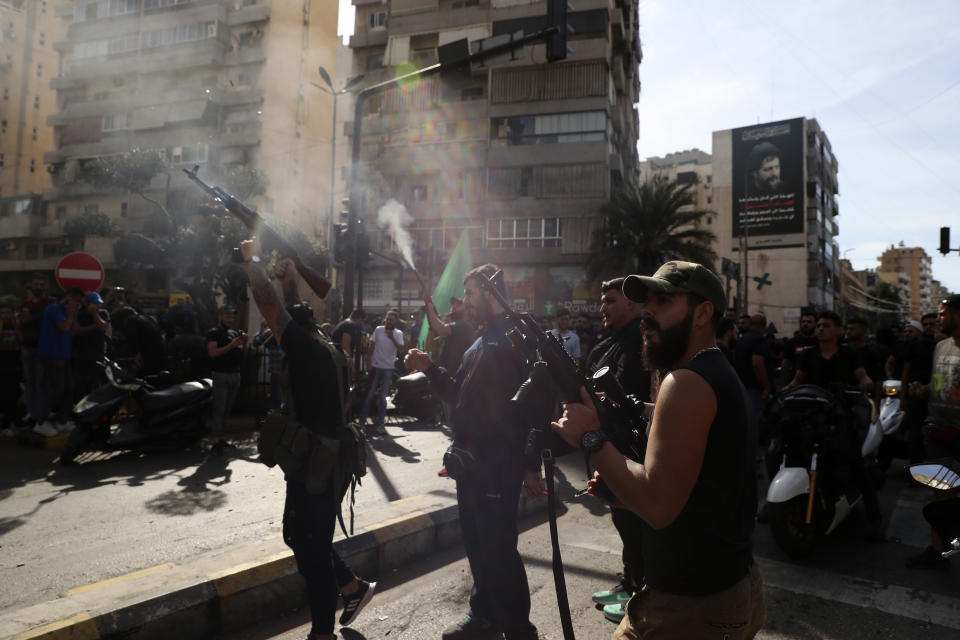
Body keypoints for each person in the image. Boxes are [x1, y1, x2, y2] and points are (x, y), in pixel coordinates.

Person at [552, 261, 764, 639]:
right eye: (647, 302)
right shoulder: (710, 372)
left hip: (690, 608)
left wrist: (590, 438)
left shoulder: (687, 382)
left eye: (663, 301)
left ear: (703, 313)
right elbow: (690, 493)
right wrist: (620, 493)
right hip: (716, 587)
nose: (647, 311)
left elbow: (659, 506)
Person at [240, 239, 375, 638]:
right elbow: (290, 312)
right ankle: (352, 587)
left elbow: (271, 309)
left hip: (318, 463)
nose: (272, 331)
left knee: (310, 548)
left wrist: (253, 262)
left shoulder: (300, 347)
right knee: (305, 536)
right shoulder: (324, 344)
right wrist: (290, 280)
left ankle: (322, 631)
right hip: (332, 458)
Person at [405, 264, 546, 640]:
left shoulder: (514, 341)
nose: (465, 302)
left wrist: (532, 464)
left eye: (469, 294)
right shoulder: (477, 344)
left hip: (500, 464)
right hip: (469, 465)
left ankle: (519, 629)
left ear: (489, 292)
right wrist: (429, 367)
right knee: (477, 543)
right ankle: (483, 616)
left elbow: (536, 407)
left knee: (499, 546)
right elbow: (457, 395)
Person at [582, 277, 650, 624]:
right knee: (623, 520)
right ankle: (629, 582)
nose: (603, 308)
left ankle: (639, 594)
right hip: (612, 445)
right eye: (602, 301)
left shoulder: (636, 341)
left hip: (628, 448)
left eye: (610, 300)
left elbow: (625, 395)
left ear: (630, 304)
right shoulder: (612, 341)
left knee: (633, 522)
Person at [785, 310, 882, 541]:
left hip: (840, 418)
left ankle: (874, 520)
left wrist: (865, 382)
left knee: (855, 465)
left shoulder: (849, 355)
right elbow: (797, 380)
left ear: (838, 330)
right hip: (811, 417)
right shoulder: (808, 355)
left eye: (826, 325)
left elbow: (862, 376)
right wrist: (787, 388)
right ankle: (778, 502)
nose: (820, 328)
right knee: (782, 451)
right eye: (818, 325)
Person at [905, 295, 960, 569]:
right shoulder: (940, 347)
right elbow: (939, 384)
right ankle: (938, 552)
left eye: (942, 314)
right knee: (940, 493)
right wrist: (923, 391)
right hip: (938, 431)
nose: (938, 319)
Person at [35, 286, 84, 436]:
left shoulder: (67, 311)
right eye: (77, 300)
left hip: (64, 355)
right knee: (56, 389)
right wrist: (70, 314)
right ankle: (40, 423)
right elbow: (64, 327)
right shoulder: (54, 309)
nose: (78, 304)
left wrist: (73, 314)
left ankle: (63, 421)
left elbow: (74, 329)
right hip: (52, 355)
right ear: (70, 297)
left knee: (69, 387)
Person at [206, 305, 247, 455]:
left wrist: (244, 343)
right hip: (221, 375)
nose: (230, 319)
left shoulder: (233, 333)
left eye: (231, 317)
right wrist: (231, 345)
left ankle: (221, 438)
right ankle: (215, 442)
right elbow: (212, 353)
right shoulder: (213, 333)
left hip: (235, 374)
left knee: (227, 410)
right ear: (220, 317)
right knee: (219, 409)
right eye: (227, 316)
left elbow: (241, 354)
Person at [359, 310, 403, 435]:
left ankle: (381, 424)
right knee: (369, 395)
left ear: (396, 321)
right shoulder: (378, 330)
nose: (388, 321)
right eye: (387, 318)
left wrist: (391, 337)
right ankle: (362, 423)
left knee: (383, 398)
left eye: (391, 319)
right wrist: (368, 363)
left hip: (388, 368)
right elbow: (371, 346)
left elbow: (401, 349)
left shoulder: (398, 333)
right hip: (376, 366)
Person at [19, 273, 53, 428]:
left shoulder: (50, 303)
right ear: (31, 286)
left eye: (41, 284)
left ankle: (40, 414)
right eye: (36, 284)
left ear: (45, 286)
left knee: (41, 383)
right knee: (30, 382)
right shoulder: (25, 303)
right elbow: (22, 321)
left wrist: (31, 317)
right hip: (28, 347)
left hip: (43, 349)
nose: (38, 287)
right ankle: (31, 412)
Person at [735, 313, 772, 441]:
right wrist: (767, 387)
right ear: (764, 325)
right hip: (754, 389)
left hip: (741, 386)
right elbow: (757, 363)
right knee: (753, 423)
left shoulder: (741, 339)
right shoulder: (759, 340)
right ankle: (751, 456)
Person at [72, 292, 110, 401]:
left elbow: (103, 327)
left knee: (96, 382)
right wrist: (94, 326)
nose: (98, 306)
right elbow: (76, 330)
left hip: (97, 353)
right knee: (81, 383)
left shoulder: (102, 313)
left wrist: (94, 313)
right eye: (95, 304)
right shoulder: (80, 314)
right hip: (81, 354)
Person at [111, 306, 166, 375]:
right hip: (160, 353)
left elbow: (133, 339)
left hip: (148, 356)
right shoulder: (148, 318)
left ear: (125, 318)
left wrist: (137, 354)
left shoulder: (132, 321)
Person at [0, 298, 22, 432]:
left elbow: (22, 339)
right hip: (2, 363)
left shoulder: (16, 325)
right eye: (2, 313)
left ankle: (13, 418)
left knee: (14, 393)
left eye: (8, 313)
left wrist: (15, 325)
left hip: (14, 363)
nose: (5, 316)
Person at [781, 309, 817, 385]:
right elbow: (785, 365)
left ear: (815, 324)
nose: (805, 324)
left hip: (816, 386)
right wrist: (783, 385)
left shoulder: (820, 342)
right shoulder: (792, 342)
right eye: (803, 321)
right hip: (796, 387)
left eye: (809, 322)